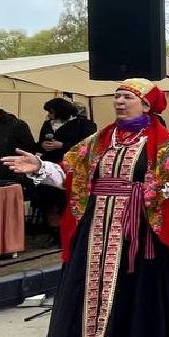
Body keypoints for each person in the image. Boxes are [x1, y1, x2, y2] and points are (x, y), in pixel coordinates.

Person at [1, 79, 169, 337]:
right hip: (95, 225)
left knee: (135, 290)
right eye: (117, 96)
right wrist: (39, 166)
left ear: (146, 104)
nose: (119, 102)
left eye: (127, 97)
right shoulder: (100, 139)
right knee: (86, 288)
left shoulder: (160, 140)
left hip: (139, 228)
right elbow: (71, 173)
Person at [34, 98, 97, 238]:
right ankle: (54, 229)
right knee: (46, 197)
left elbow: (87, 146)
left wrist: (62, 145)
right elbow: (41, 141)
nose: (50, 115)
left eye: (52, 112)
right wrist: (42, 145)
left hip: (73, 166)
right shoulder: (48, 124)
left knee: (66, 198)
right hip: (50, 164)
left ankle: (71, 230)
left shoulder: (84, 124)